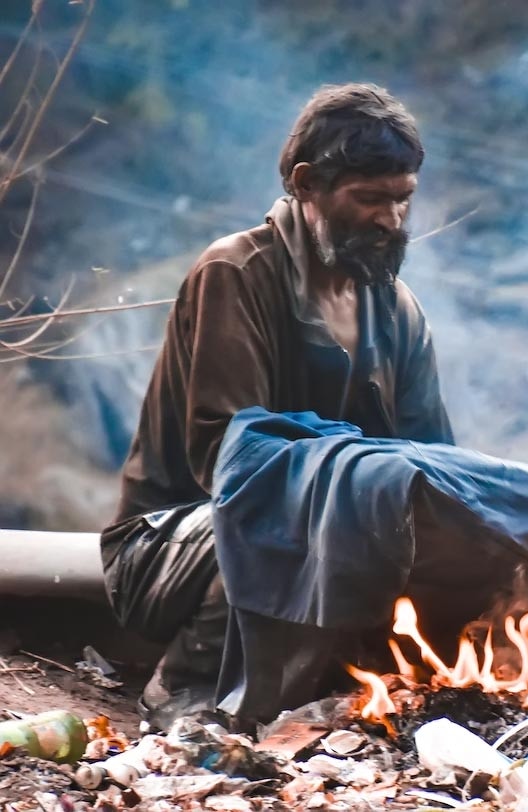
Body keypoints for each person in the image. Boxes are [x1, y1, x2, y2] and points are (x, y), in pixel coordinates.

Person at [100, 83, 454, 728]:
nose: (391, 220)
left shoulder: (397, 310)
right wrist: (359, 485)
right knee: (310, 511)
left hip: (327, 529)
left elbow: (436, 460)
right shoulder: (235, 273)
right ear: (306, 183)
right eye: (370, 199)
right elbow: (231, 463)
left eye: (402, 200)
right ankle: (187, 692)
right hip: (174, 545)